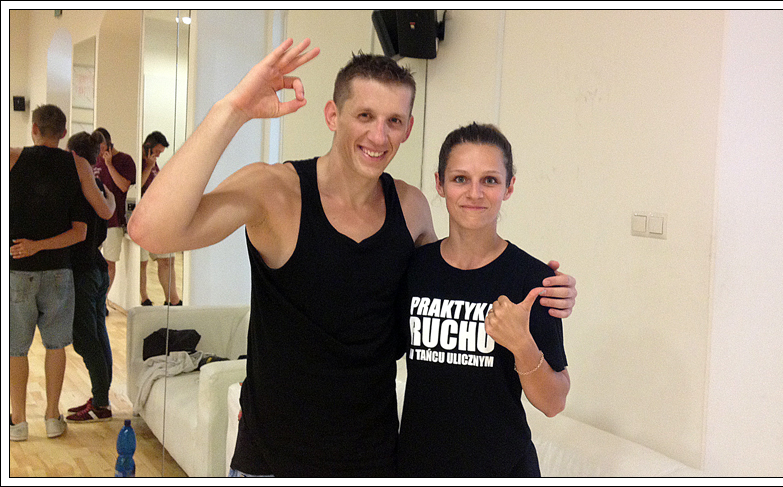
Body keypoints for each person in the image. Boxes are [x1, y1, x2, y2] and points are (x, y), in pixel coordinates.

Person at [128, 39, 577, 476]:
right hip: (274, 463)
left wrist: (545, 288)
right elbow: (151, 231)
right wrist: (233, 110)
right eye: (365, 115)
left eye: (393, 120)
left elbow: (450, 283)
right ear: (333, 115)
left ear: (408, 128)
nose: (379, 135)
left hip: (374, 462)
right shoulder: (276, 192)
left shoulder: (411, 208)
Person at [396, 123, 571, 477]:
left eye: (489, 180)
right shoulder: (413, 269)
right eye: (460, 178)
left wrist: (522, 345)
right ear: (439, 183)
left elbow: (554, 402)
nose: (474, 193)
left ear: (509, 187)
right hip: (418, 467)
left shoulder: (532, 280)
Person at [9, 105, 86, 441]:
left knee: (15, 348)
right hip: (58, 272)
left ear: (34, 128)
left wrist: (29, 247)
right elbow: (80, 232)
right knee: (56, 346)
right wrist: (40, 246)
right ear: (64, 133)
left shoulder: (12, 158)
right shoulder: (76, 166)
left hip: (17, 269)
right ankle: (53, 418)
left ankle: (18, 423)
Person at [64, 131, 117, 423]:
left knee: (86, 340)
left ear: (73, 154)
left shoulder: (77, 187)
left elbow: (78, 232)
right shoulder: (98, 187)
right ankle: (101, 399)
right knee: (98, 335)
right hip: (96, 267)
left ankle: (101, 403)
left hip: (83, 272)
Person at [137, 131, 181, 306]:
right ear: (148, 146)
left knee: (167, 259)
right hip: (142, 218)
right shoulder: (141, 162)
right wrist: (148, 166)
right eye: (157, 151)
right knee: (141, 263)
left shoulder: (154, 163)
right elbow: (136, 187)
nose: (158, 155)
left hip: (159, 217)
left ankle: (173, 299)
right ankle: (144, 298)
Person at [92, 127, 136, 304]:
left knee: (109, 262)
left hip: (113, 221)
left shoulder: (125, 160)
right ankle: (92, 297)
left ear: (108, 145)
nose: (99, 151)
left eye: (101, 147)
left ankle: (103, 299)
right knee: (91, 260)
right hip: (94, 219)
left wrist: (109, 164)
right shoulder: (94, 160)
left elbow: (124, 186)